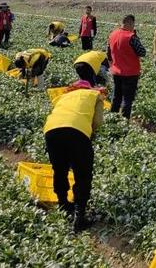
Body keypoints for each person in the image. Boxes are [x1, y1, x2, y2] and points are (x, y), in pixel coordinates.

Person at [43, 86, 104, 232]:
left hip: (51, 130)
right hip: (77, 130)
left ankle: (63, 204)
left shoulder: (64, 96)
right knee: (83, 173)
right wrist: (90, 134)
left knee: (59, 169)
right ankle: (79, 216)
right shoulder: (96, 95)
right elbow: (98, 122)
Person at [107, 15, 146, 119]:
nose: (134, 26)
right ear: (129, 23)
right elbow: (142, 52)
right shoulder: (131, 37)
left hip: (116, 71)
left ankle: (113, 119)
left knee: (116, 97)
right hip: (130, 73)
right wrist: (136, 36)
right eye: (133, 24)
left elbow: (108, 54)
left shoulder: (112, 35)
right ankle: (124, 122)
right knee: (127, 99)